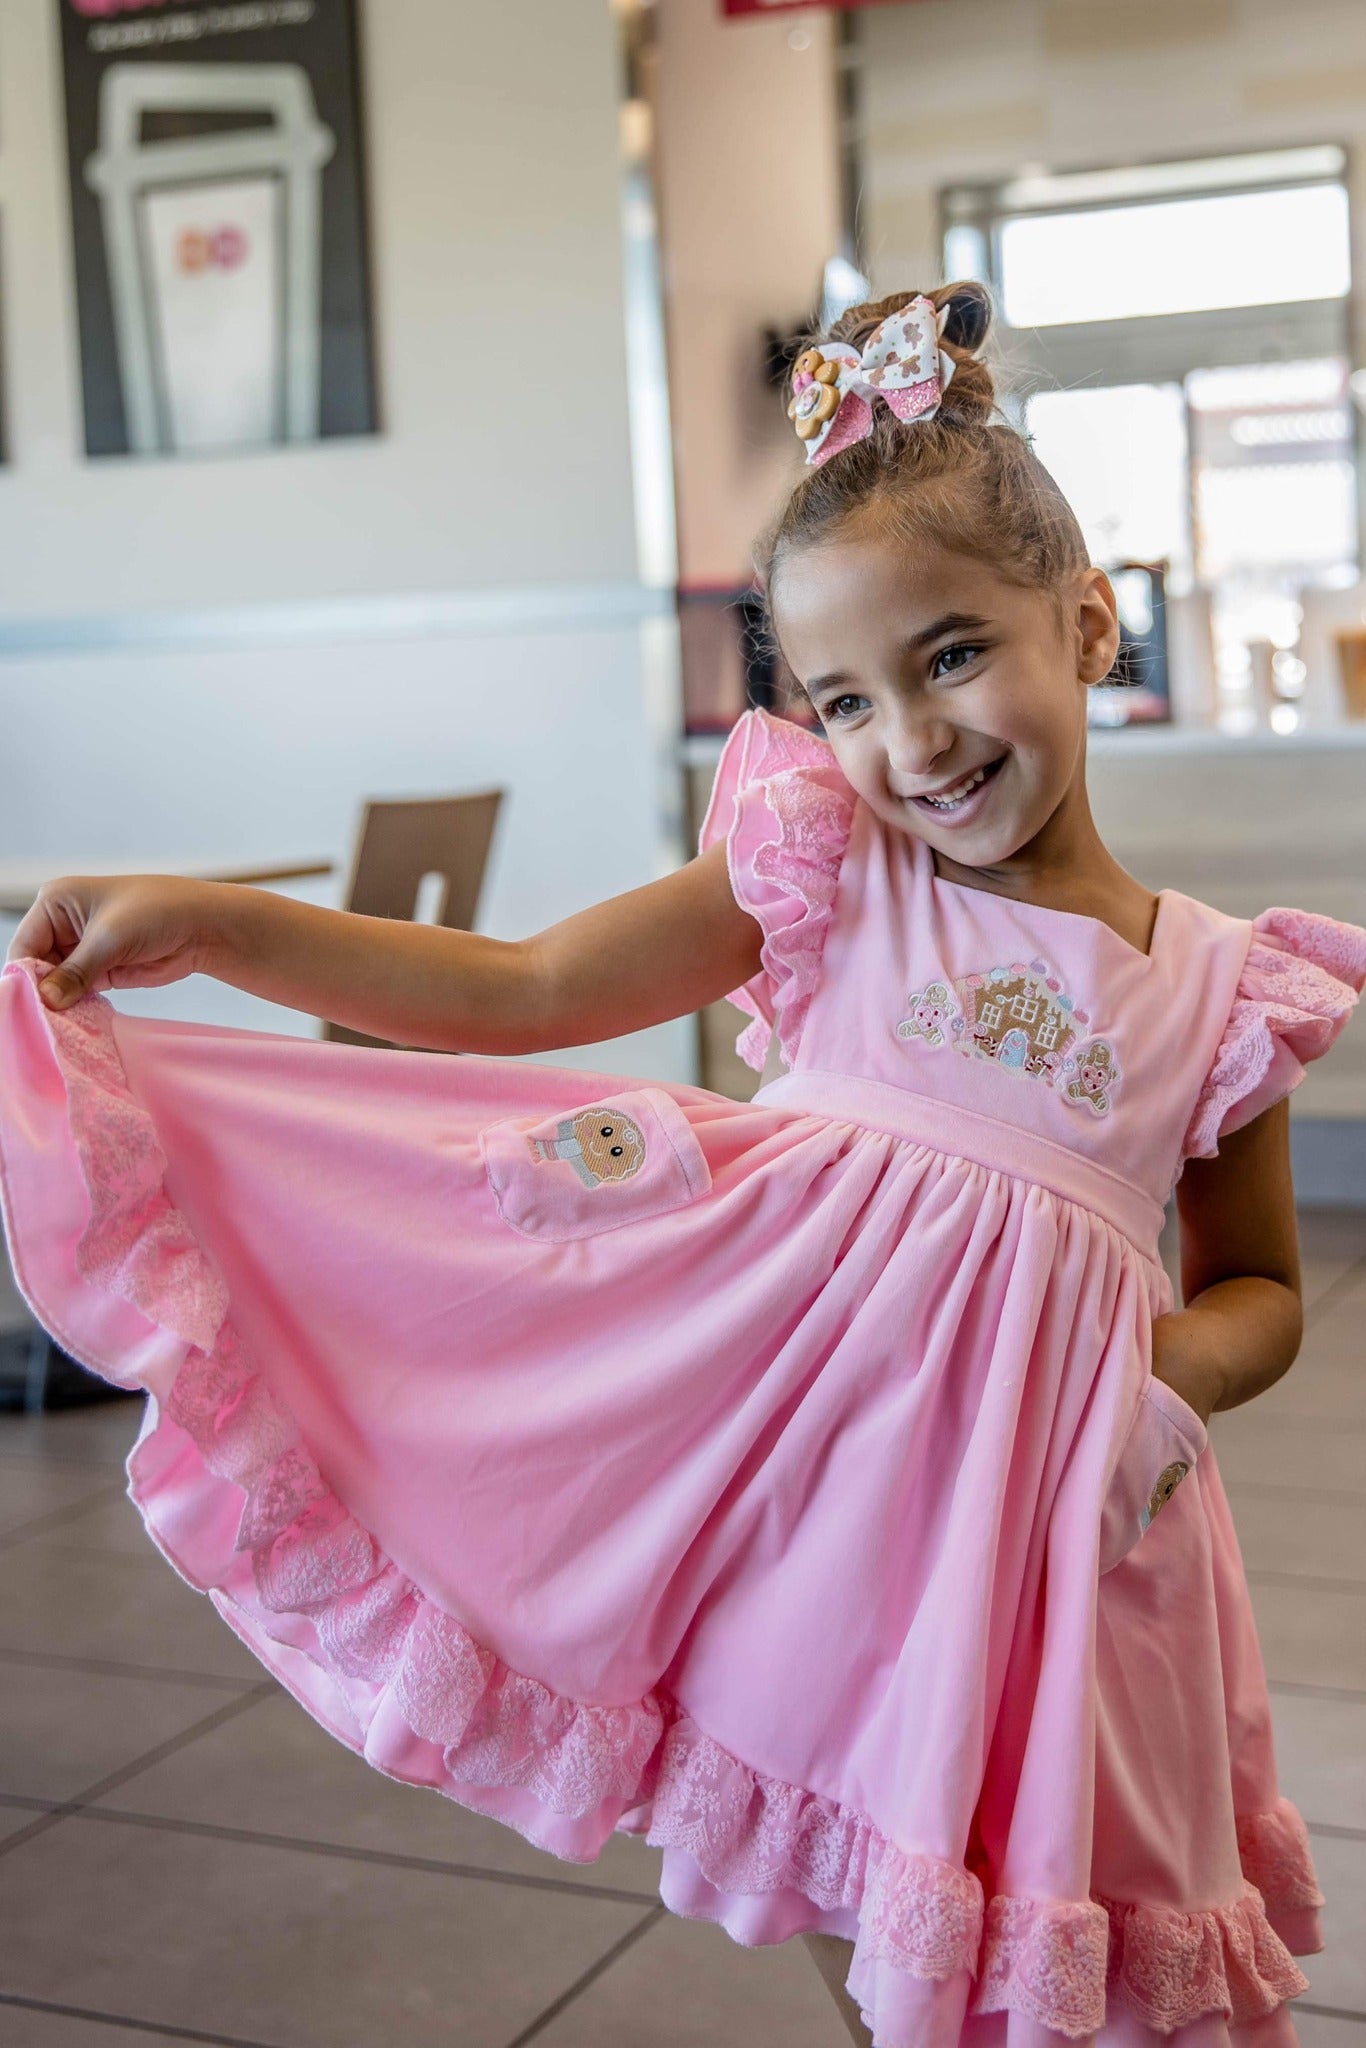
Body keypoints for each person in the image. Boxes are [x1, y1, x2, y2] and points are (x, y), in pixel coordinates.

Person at [1, 282, 1362, 2048]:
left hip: (1058, 1523)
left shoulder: (1220, 987)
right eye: (850, 700)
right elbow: (525, 989)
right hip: (820, 1513)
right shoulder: (828, 873)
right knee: (865, 1884)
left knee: (1054, 1907)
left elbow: (1259, 1288)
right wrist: (217, 922)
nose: (914, 745)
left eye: (953, 654)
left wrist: (1143, 1375)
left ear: (1090, 625)